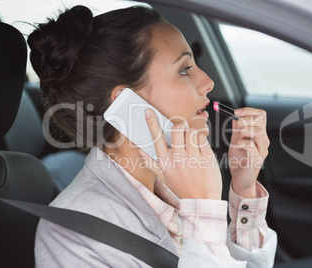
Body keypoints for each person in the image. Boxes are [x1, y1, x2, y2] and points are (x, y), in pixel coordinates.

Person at [28, 5, 277, 267]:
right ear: (128, 103)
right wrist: (202, 213)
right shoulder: (71, 236)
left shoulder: (175, 182)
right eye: (184, 69)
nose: (208, 82)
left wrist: (243, 190)